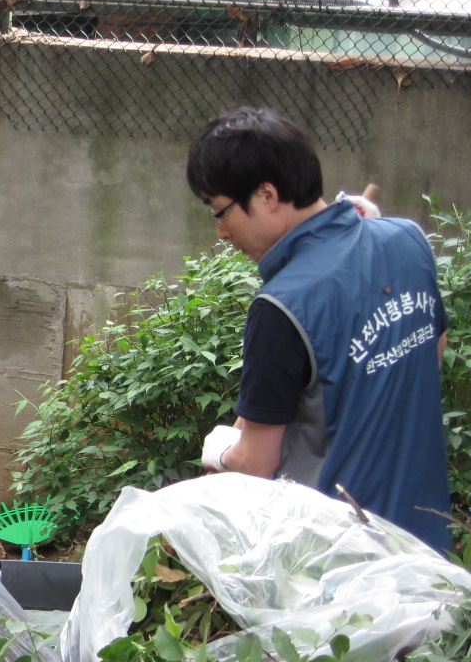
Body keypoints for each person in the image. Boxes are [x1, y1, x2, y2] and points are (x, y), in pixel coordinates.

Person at [188, 106, 452, 554]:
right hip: (424, 543)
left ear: (267, 195)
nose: (221, 233)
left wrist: (219, 452)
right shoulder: (407, 239)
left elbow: (254, 464)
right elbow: (434, 351)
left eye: (221, 212)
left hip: (336, 565)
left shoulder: (282, 305)